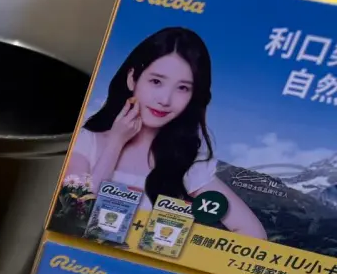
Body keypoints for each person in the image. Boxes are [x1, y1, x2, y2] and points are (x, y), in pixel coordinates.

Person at [64, 27, 265, 238]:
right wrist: (115, 142)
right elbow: (72, 214)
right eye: (156, 81)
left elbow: (254, 234)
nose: (165, 99)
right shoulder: (87, 142)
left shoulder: (186, 165)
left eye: (183, 88)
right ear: (132, 78)